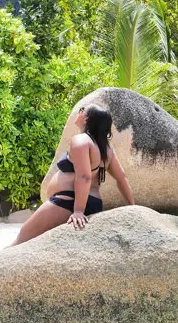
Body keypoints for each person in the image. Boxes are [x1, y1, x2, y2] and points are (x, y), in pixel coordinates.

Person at [10, 104, 134, 246]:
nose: (79, 112)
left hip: (68, 202)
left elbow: (84, 176)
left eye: (82, 110)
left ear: (86, 118)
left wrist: (78, 211)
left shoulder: (81, 140)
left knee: (20, 241)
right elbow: (121, 178)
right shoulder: (106, 148)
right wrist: (132, 206)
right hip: (93, 202)